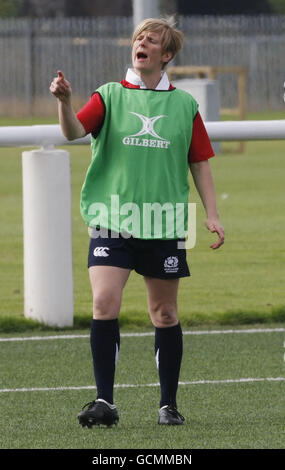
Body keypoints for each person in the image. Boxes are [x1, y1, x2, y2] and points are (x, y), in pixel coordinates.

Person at [50, 17, 224, 428]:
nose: (141, 42)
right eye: (138, 38)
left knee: (163, 313)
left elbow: (199, 161)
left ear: (166, 56)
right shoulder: (109, 95)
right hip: (114, 219)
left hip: (162, 222)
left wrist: (212, 214)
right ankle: (104, 402)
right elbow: (74, 130)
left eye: (152, 40)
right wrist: (64, 101)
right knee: (103, 302)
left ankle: (168, 405)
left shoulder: (184, 106)